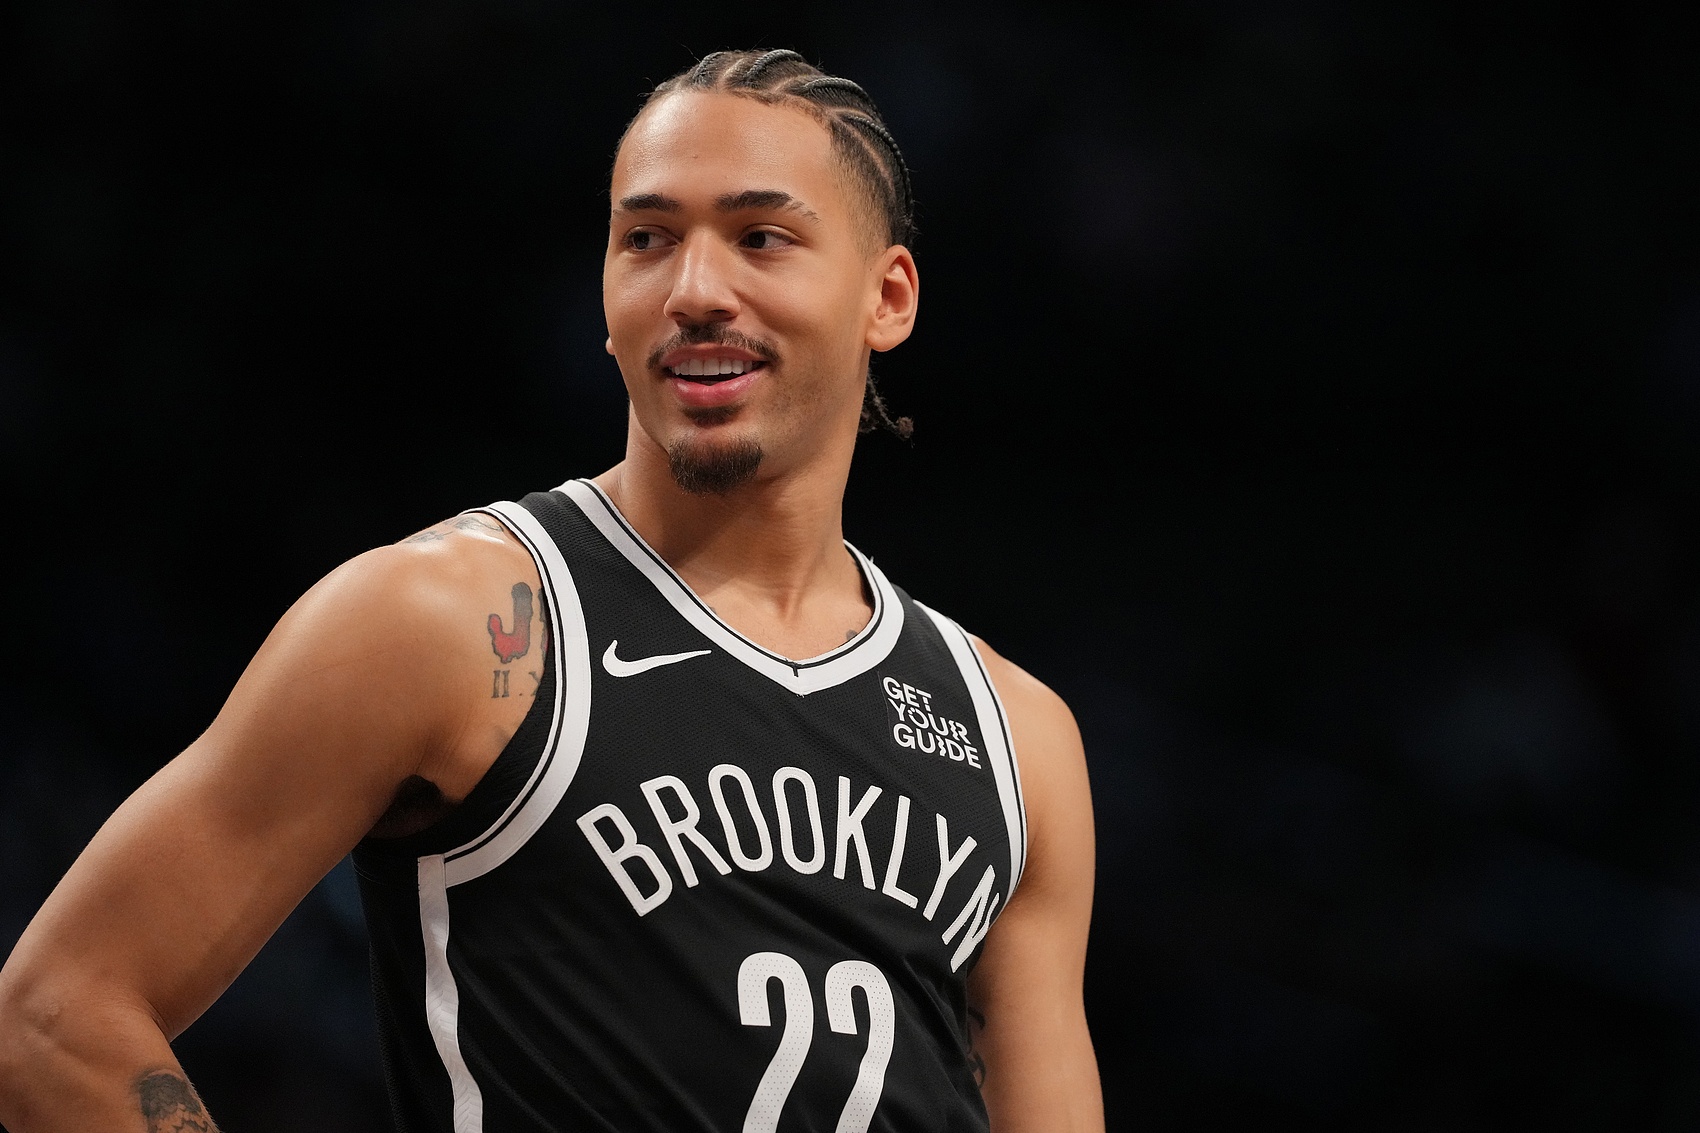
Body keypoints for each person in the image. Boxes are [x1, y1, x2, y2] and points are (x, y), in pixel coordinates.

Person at [0, 49, 1101, 1133]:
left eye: (760, 238)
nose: (694, 290)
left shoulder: (1015, 737)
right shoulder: (445, 624)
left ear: (886, 297)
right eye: (647, 239)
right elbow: (55, 1016)